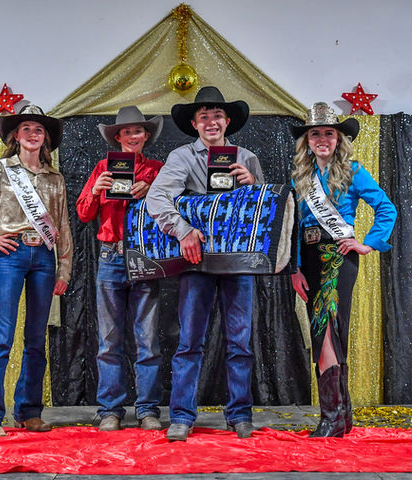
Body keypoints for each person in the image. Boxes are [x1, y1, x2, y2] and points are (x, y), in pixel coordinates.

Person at [146, 86, 264, 441]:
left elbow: (262, 212)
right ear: (195, 124)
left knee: (240, 342)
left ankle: (240, 414)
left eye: (217, 116)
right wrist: (182, 231)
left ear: (227, 122)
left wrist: (253, 185)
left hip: (238, 263)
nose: (211, 122)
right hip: (196, 261)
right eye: (204, 116)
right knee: (189, 341)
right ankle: (182, 416)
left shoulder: (247, 157)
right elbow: (157, 197)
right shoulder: (182, 157)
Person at [0, 105, 73, 437]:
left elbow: (63, 225)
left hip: (45, 256)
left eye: (38, 129)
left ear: (45, 138)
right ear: (15, 136)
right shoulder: (2, 170)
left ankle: (28, 412)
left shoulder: (55, 178)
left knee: (36, 338)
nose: (33, 134)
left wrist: (64, 269)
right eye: (26, 128)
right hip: (13, 252)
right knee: (2, 335)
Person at [289, 102, 397, 438]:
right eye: (315, 133)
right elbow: (295, 227)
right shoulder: (301, 177)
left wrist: (368, 243)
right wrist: (294, 268)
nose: (322, 139)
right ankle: (342, 415)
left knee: (326, 328)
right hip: (308, 258)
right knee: (325, 329)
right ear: (307, 140)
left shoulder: (353, 170)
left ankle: (331, 418)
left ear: (338, 139)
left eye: (329, 133)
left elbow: (386, 208)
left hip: (338, 255)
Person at [76, 106, 164, 431]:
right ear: (118, 137)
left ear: (146, 135)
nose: (132, 136)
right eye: (126, 132)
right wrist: (96, 190)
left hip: (146, 256)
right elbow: (83, 214)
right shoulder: (103, 168)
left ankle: (148, 409)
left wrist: (153, 190)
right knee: (109, 340)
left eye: (137, 131)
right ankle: (110, 409)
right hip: (110, 256)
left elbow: (176, 206)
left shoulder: (158, 169)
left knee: (148, 339)